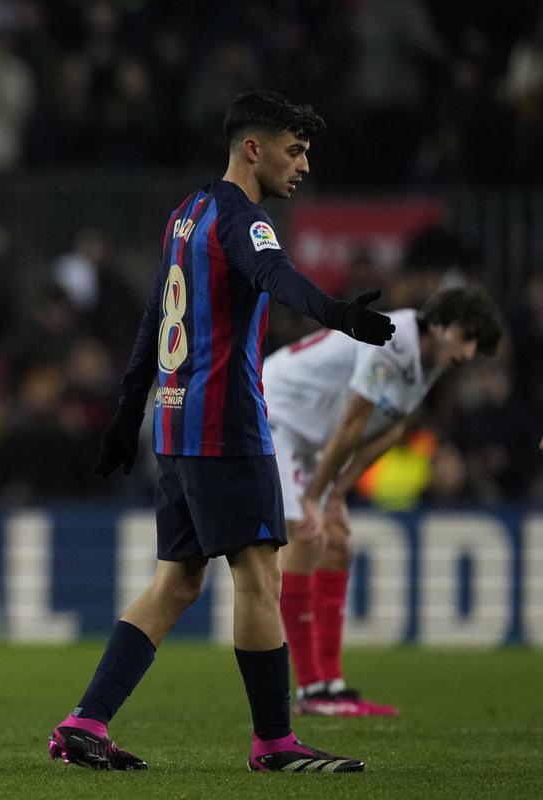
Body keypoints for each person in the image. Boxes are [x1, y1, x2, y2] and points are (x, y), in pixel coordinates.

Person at [49, 89, 394, 774]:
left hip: (175, 425)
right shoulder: (243, 218)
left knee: (177, 581)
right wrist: (340, 315)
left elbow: (155, 315)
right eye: (294, 151)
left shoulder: (187, 215)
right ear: (253, 148)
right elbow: (275, 274)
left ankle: (84, 720)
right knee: (259, 576)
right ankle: (275, 743)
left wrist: (127, 414)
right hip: (225, 426)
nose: (302, 166)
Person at [268, 285, 501, 716]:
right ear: (442, 324)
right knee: (307, 534)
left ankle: (330, 685)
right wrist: (318, 495)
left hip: (313, 434)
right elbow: (355, 422)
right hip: (276, 412)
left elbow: (391, 430)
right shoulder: (392, 340)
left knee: (338, 544)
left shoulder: (429, 359)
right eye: (466, 339)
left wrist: (337, 491)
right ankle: (311, 692)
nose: (468, 354)